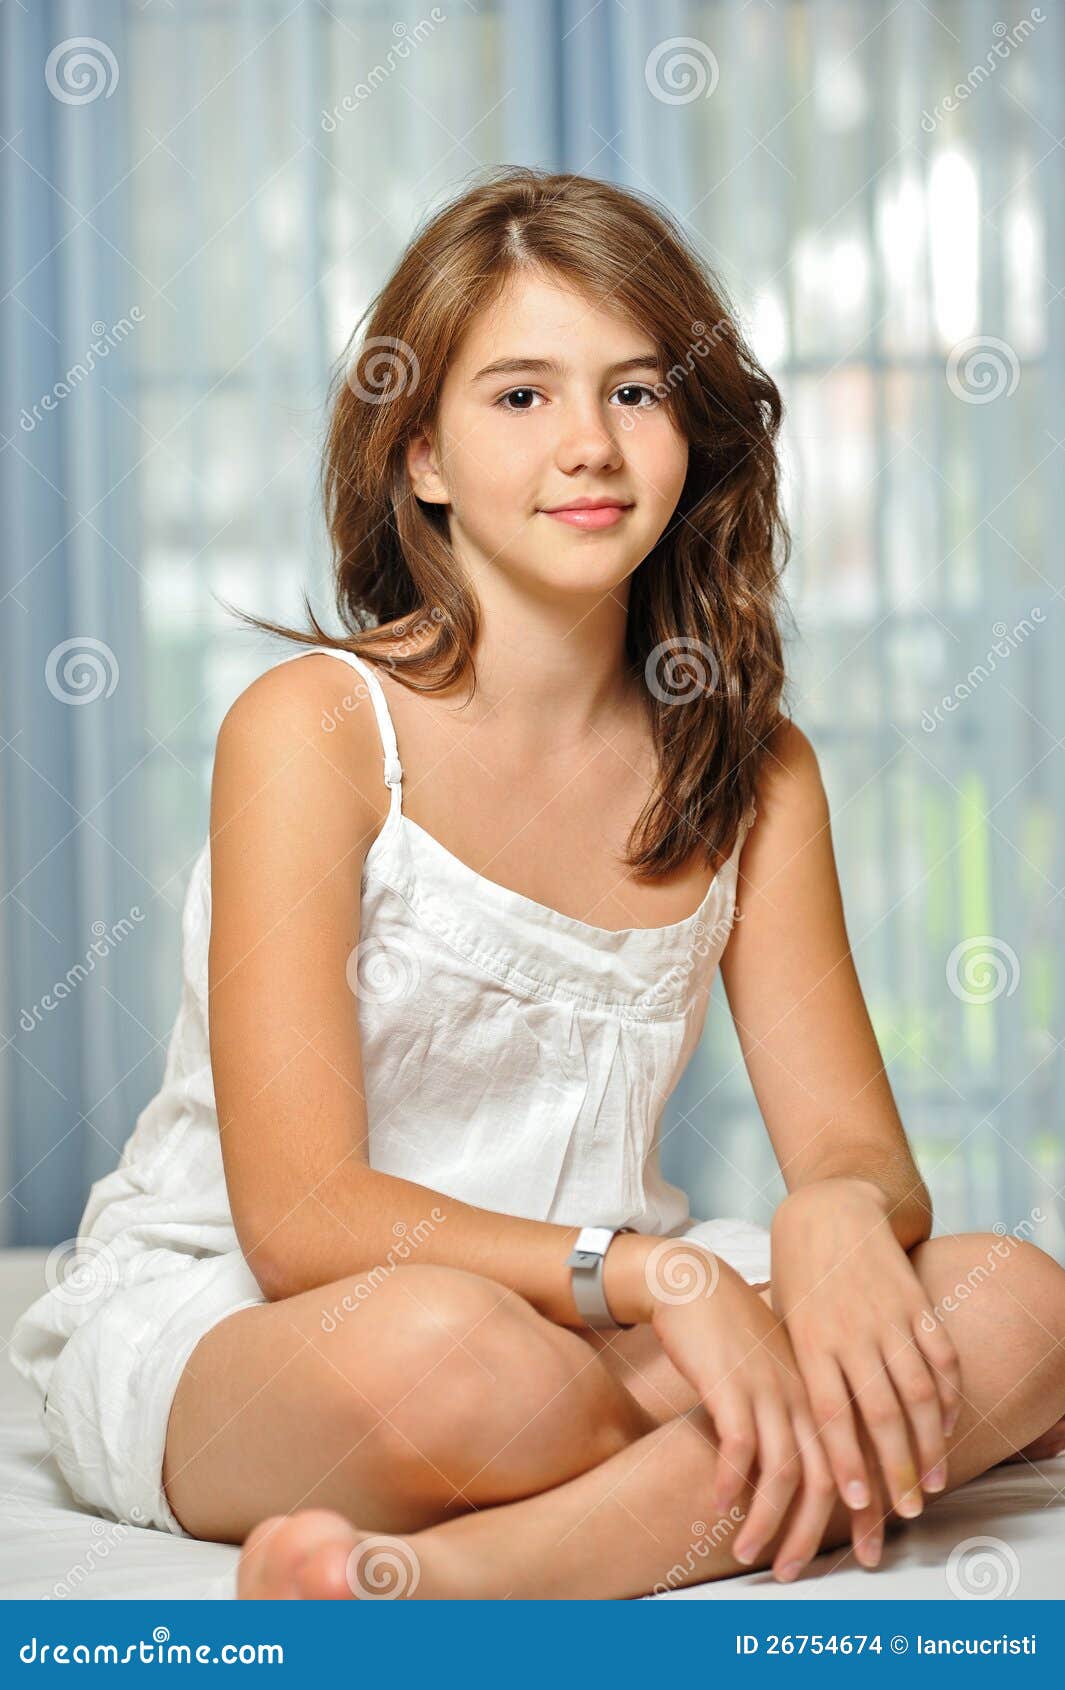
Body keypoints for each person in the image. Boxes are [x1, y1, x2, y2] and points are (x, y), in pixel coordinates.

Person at [11, 168, 1065, 1602]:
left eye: (634, 392)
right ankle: (798, 1451)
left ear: (691, 433)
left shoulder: (753, 768)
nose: (588, 445)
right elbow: (303, 1212)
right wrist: (668, 1283)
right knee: (457, 1361)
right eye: (520, 397)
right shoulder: (314, 728)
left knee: (1011, 1303)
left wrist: (832, 1213)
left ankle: (452, 1577)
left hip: (598, 1331)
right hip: (284, 1318)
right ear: (422, 455)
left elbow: (862, 1162)